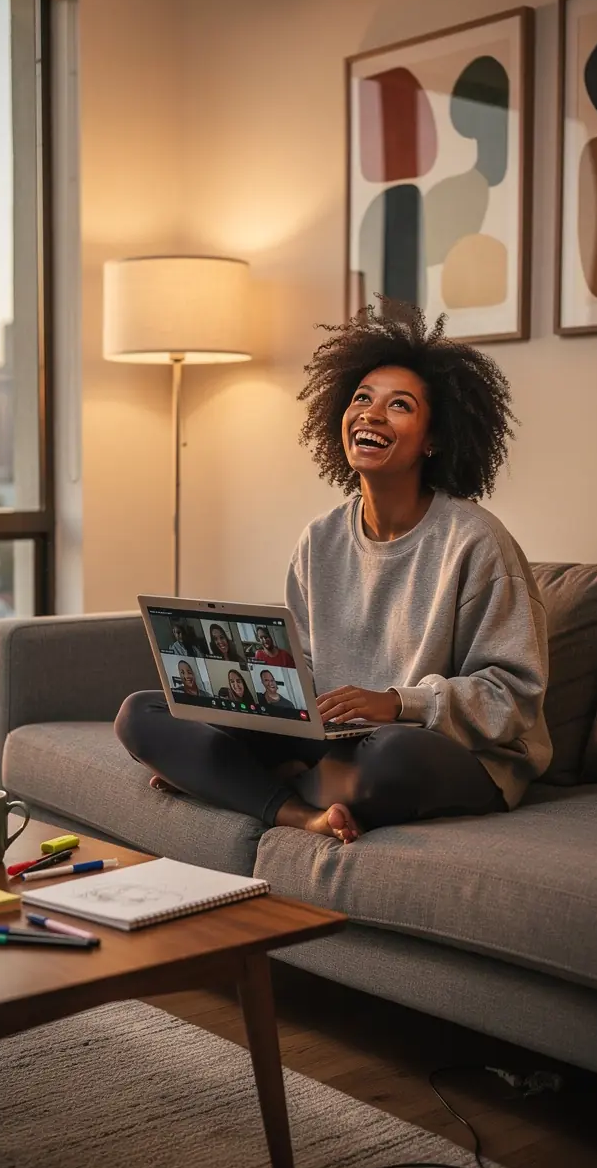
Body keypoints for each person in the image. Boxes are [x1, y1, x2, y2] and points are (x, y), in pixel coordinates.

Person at [117, 300, 552, 845]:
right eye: (362, 398)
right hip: (334, 740)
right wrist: (257, 698)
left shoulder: (476, 541)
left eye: (400, 405)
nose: (372, 414)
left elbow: (512, 696)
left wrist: (396, 702)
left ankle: (231, 782)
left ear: (434, 439)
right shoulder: (320, 539)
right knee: (142, 713)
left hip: (442, 752)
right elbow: (304, 668)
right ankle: (301, 813)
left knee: (391, 757)